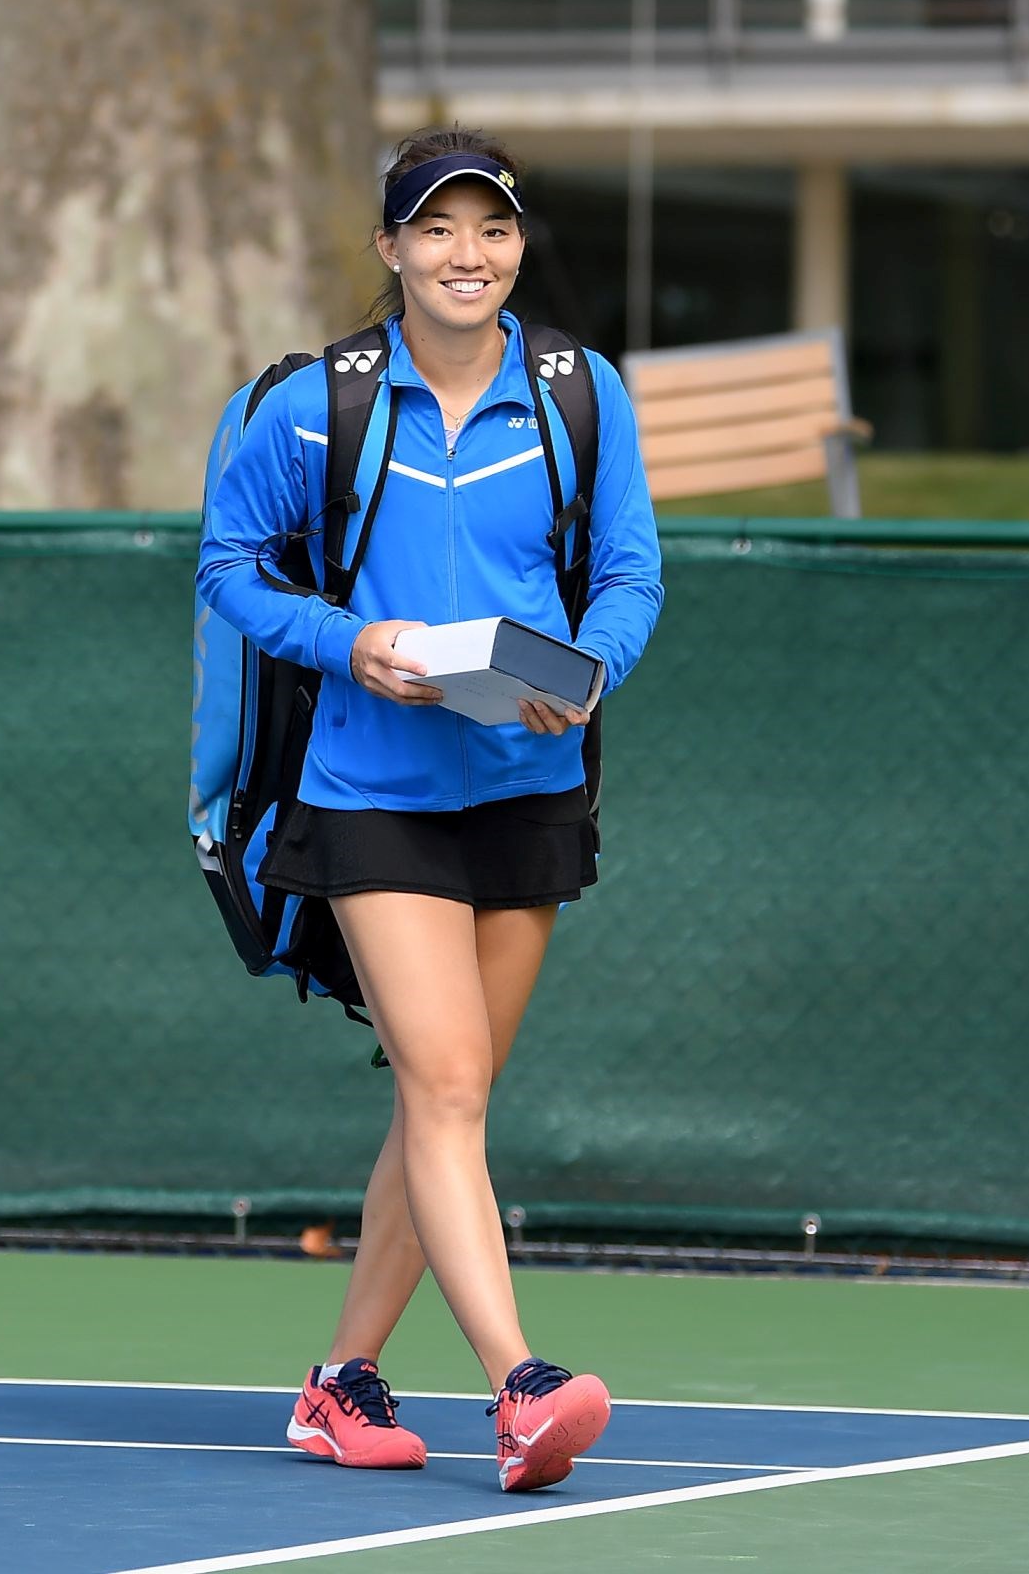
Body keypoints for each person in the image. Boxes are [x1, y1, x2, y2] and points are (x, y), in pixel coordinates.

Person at [196, 127, 664, 1493]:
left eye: (494, 231)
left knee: (441, 1104)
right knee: (449, 1086)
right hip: (367, 790)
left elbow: (629, 574)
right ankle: (522, 1385)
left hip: (529, 786)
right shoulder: (312, 408)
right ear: (391, 249)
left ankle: (340, 1386)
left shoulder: (583, 393)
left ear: (517, 246)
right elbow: (231, 569)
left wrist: (584, 681)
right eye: (439, 231)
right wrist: (353, 644)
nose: (469, 256)